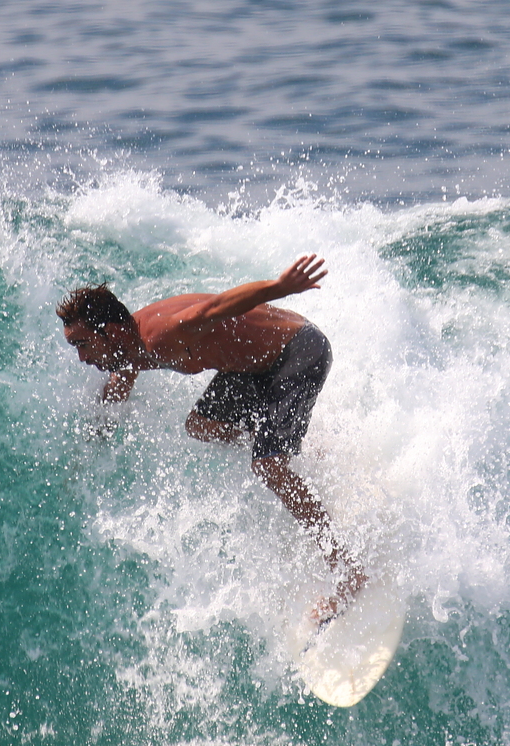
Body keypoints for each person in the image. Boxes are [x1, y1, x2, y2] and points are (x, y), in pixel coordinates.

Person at [56, 254, 365, 616]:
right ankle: (284, 445)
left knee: (267, 467)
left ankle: (348, 572)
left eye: (82, 344)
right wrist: (96, 436)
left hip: (297, 350)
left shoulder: (161, 334)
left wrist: (280, 287)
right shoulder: (125, 349)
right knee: (200, 426)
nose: (81, 358)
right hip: (252, 367)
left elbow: (216, 307)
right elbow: (119, 386)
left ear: (110, 332)